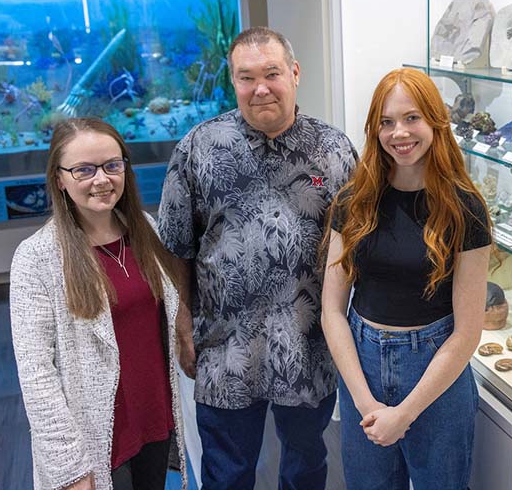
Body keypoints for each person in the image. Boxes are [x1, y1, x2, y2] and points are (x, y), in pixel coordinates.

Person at [157, 26, 357, 489]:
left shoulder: (335, 152)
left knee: (306, 466)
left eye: (271, 73)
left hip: (308, 347)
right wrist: (183, 322)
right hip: (226, 349)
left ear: (295, 73)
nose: (260, 88)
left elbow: (357, 246)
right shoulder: (199, 148)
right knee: (227, 472)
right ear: (233, 82)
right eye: (246, 78)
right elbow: (175, 243)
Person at [321, 67, 492, 490]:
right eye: (387, 121)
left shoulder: (464, 208)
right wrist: (365, 401)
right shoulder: (354, 200)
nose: (399, 132)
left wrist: (404, 413)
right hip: (362, 367)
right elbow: (332, 311)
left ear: (435, 121)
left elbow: (468, 332)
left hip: (435, 371)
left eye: (411, 118)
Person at [10, 118, 187, 490]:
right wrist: (69, 469)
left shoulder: (146, 230)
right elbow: (37, 375)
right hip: (95, 441)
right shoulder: (36, 258)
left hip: (154, 424)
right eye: (83, 170)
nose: (102, 180)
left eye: (112, 165)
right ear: (59, 179)